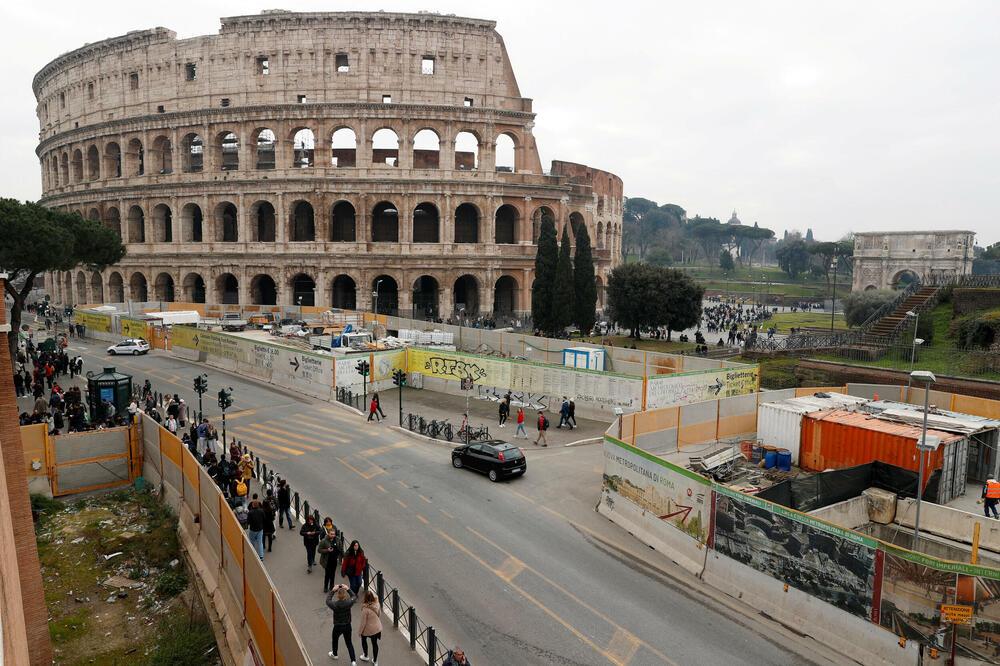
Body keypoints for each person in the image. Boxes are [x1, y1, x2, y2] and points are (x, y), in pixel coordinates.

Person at [327, 584, 357, 663]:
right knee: (349, 643)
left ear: (338, 596)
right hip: (347, 625)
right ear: (345, 596)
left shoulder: (335, 605)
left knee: (335, 639)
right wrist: (348, 589)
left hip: (338, 626)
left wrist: (333, 590)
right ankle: (353, 661)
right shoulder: (349, 602)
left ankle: (335, 654)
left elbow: (328, 601)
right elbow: (354, 596)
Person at [358, 590, 383, 665]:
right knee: (374, 644)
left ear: (365, 598)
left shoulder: (365, 609)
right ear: (372, 597)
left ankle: (365, 656)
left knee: (364, 640)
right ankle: (375, 661)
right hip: (377, 628)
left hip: (367, 630)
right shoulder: (377, 604)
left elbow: (363, 623)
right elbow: (379, 614)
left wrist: (360, 632)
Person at [320, 518, 340, 593]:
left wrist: (340, 555)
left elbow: (340, 549)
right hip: (327, 560)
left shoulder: (337, 540)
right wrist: (327, 550)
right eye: (331, 534)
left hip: (334, 560)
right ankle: (325, 587)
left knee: (333, 574)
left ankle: (332, 586)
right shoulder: (324, 541)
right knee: (327, 574)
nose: (333, 535)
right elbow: (319, 550)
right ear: (328, 534)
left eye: (334, 534)